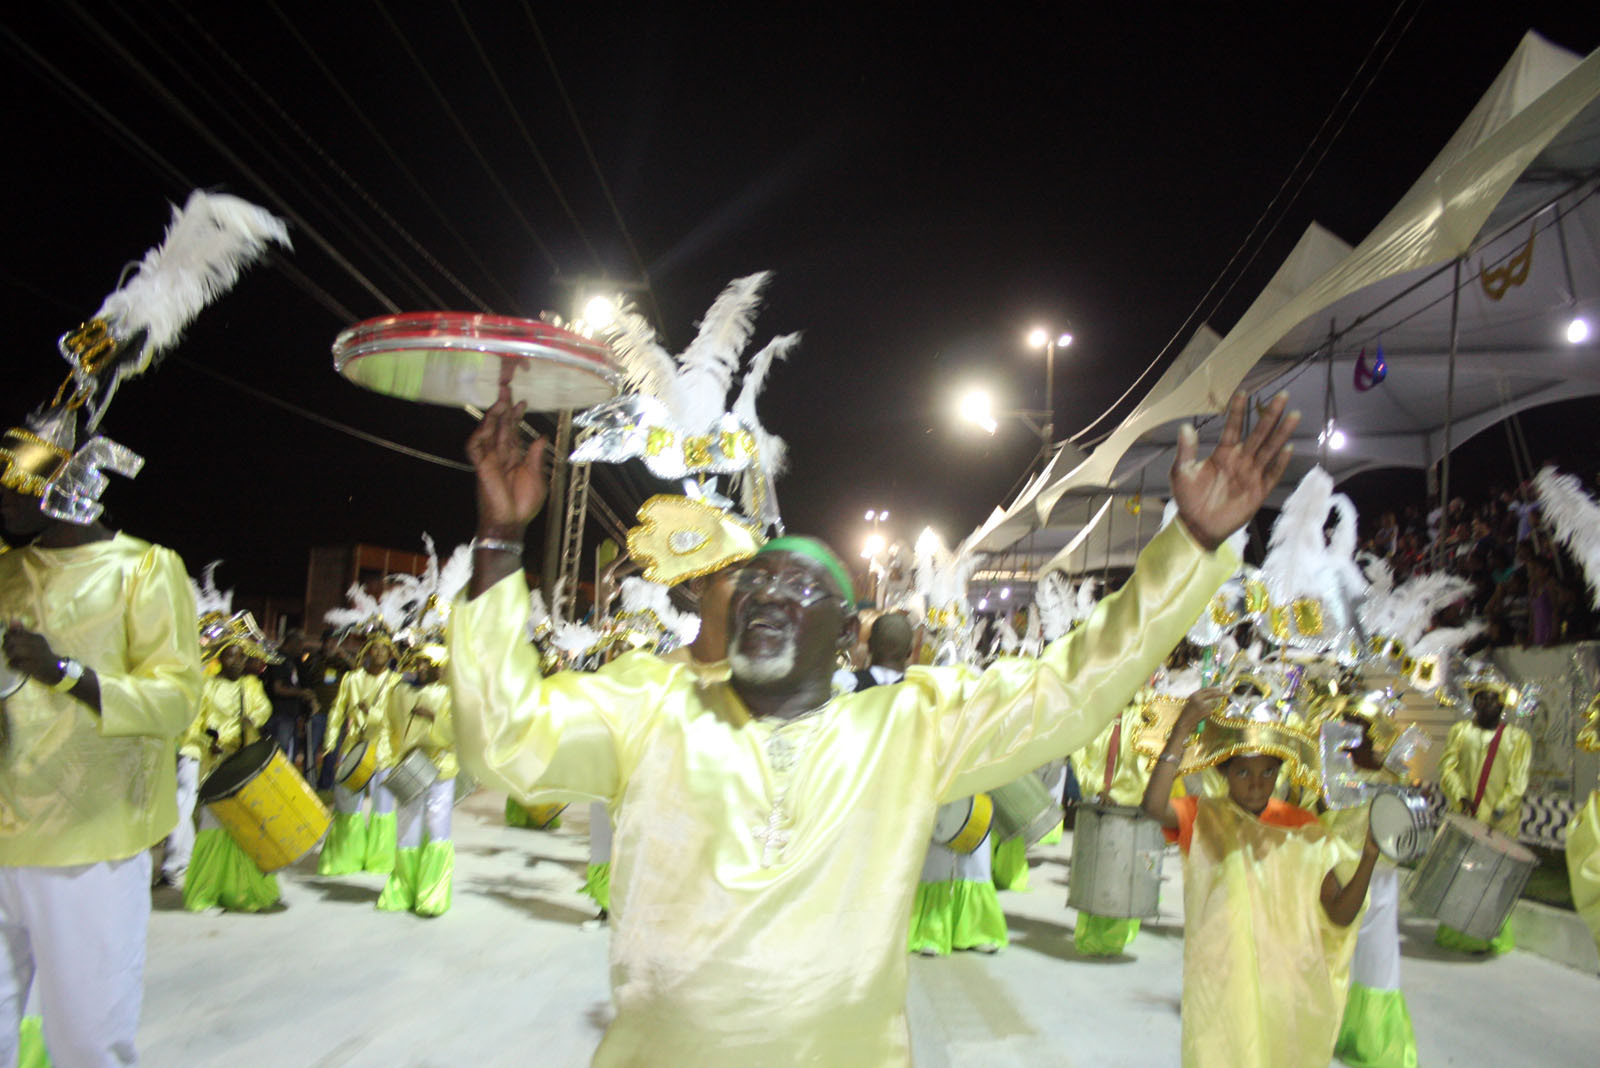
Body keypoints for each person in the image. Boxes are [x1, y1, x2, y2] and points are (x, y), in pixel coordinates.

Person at [450, 384, 1295, 1064]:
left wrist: (1187, 543)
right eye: (755, 585)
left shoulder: (904, 729)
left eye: (803, 588)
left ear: (848, 631)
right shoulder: (655, 708)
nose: (771, 596)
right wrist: (497, 541)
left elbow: (1072, 688)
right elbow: (503, 741)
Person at [1141, 687, 1379, 1068]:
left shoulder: (1303, 826)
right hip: (1222, 985)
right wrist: (1183, 726)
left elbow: (1338, 914)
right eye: (1243, 772)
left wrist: (1368, 857)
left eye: (1268, 771)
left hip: (1284, 992)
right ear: (1224, 771)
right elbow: (1152, 807)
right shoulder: (1204, 817)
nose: (1256, 784)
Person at [179, 623, 281, 913]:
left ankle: (241, 892)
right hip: (216, 766)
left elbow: (264, 710)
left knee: (243, 828)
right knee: (213, 828)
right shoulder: (207, 687)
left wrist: (252, 720)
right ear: (220, 658)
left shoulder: (251, 685)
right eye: (230, 656)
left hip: (245, 762)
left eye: (240, 656)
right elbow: (192, 726)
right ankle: (204, 894)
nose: (236, 661)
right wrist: (207, 740)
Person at [1433, 670, 1531, 953]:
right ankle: (1456, 934)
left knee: (1494, 881)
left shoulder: (1518, 738)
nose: (1487, 704)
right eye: (1481, 699)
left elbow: (1518, 782)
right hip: (1467, 818)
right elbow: (1447, 767)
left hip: (1500, 824)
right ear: (1474, 703)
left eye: (1493, 699)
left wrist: (1499, 810)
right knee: (1460, 877)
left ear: (1502, 704)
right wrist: (1460, 796)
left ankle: (1492, 936)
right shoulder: (1460, 732)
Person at [378, 648, 457, 916]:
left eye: (430, 663)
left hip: (440, 769)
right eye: (420, 662)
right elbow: (389, 726)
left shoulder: (450, 695)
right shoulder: (400, 692)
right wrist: (390, 758)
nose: (422, 667)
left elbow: (457, 735)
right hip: (409, 767)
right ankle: (402, 889)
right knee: (407, 826)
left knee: (437, 827)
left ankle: (432, 894)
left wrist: (433, 718)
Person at [318, 633, 402, 876]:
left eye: (383, 650)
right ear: (366, 653)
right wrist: (330, 742)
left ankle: (381, 859)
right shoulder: (351, 679)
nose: (378, 653)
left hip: (384, 750)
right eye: (373, 649)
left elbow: (397, 717)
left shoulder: (396, 682)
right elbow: (337, 710)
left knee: (383, 805)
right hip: (354, 747)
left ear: (391, 655)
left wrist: (373, 714)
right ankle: (345, 856)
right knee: (346, 802)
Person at [265, 629, 317, 770]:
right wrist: (302, 693)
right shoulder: (278, 658)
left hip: (290, 714)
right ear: (292, 644)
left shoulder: (291, 660)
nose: (301, 649)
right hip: (281, 714)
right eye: (299, 646)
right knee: (281, 750)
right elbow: (278, 688)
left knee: (289, 748)